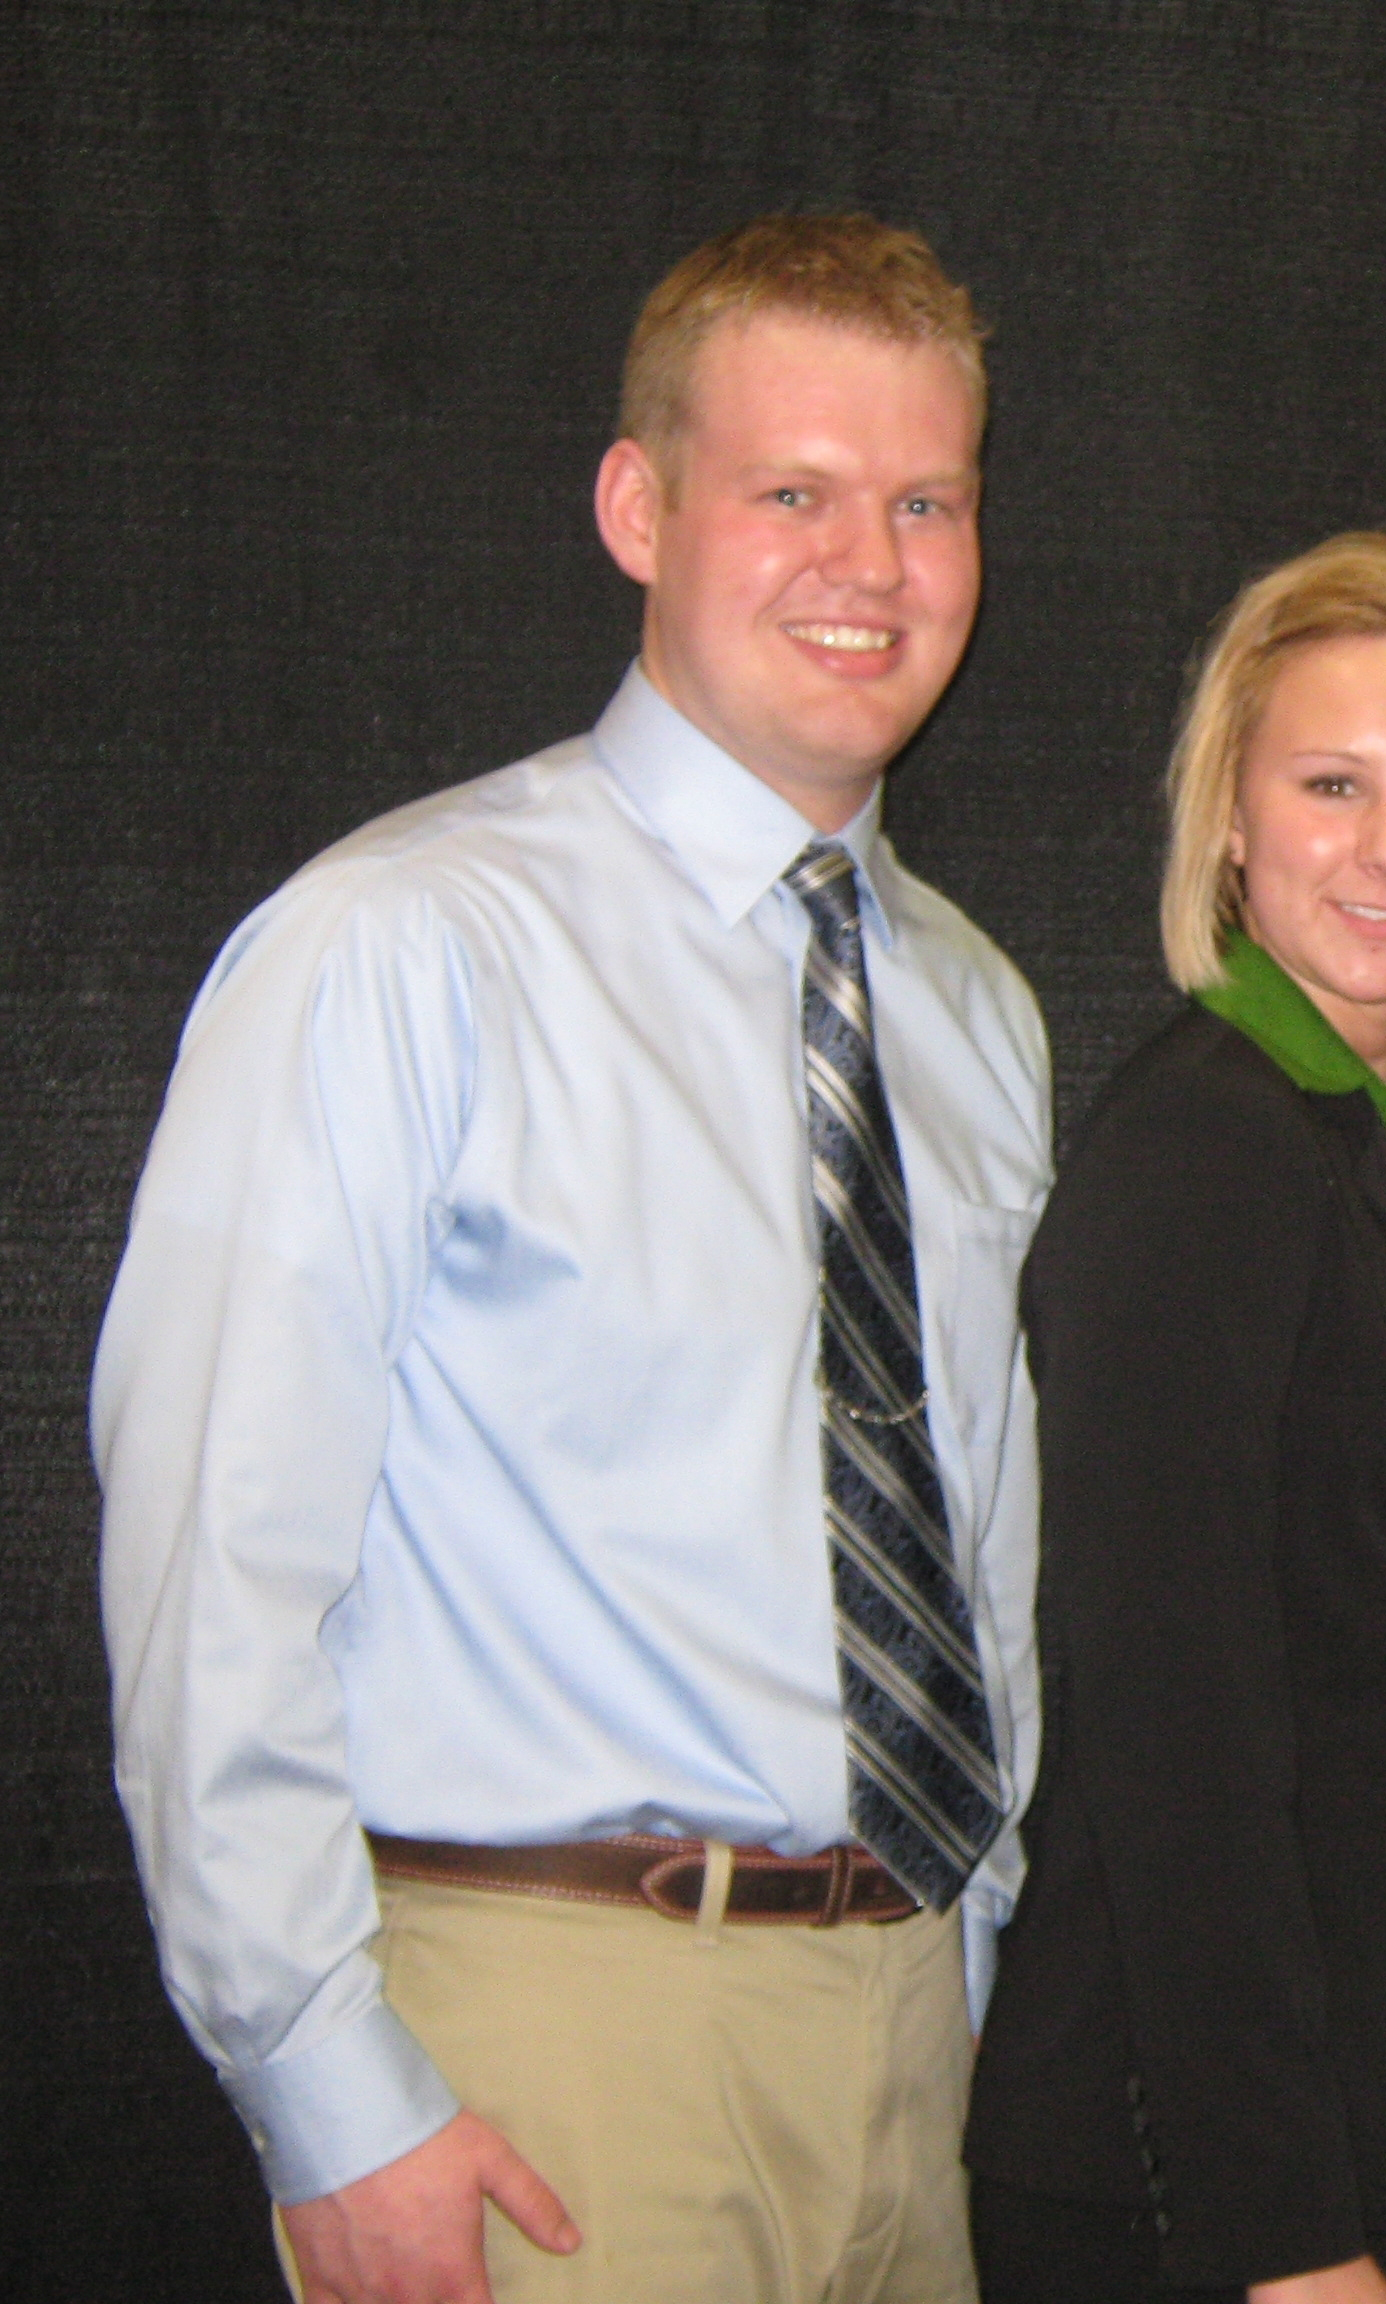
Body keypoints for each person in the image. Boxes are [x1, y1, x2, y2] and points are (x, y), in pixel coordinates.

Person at [95, 214, 1050, 2304]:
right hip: (548, 2045)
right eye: (791, 491)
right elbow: (208, 1552)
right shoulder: (401, 949)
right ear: (641, 507)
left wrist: (968, 1943)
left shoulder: (975, 1015)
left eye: (926, 503)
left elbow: (974, 1529)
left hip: (905, 2039)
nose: (866, 566)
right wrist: (323, 2079)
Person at [961, 532, 1386, 2304]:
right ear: (1229, 814)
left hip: (1330, 2127)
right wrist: (1284, 2233)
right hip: (1201, 2184)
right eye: (1331, 783)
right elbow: (1176, 1740)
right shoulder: (1203, 1156)